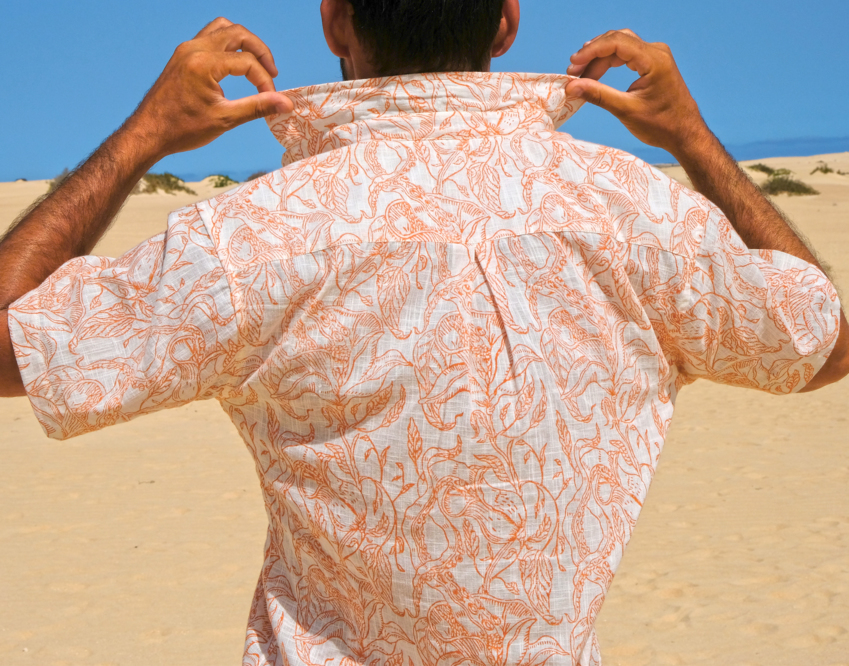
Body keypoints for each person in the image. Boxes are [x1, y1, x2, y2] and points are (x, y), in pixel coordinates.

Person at [1, 0, 846, 664]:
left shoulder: (254, 236)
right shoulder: (633, 211)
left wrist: (144, 135)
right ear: (507, 20)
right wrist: (692, 138)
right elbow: (821, 344)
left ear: (334, 17)